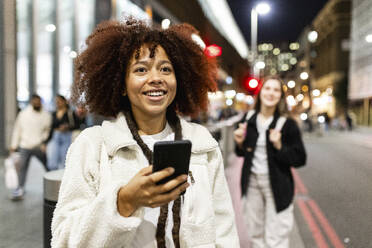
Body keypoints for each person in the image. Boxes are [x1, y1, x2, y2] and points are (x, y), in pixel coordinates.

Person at [51, 18, 239, 248]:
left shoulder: (201, 144)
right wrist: (124, 202)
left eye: (166, 69)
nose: (156, 78)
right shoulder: (92, 146)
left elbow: (224, 231)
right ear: (121, 84)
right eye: (141, 69)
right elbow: (64, 240)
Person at [234, 76, 306, 248]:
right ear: (260, 92)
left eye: (276, 90)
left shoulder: (288, 124)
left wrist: (280, 146)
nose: (271, 93)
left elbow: (300, 159)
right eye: (267, 88)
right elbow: (241, 152)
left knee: (276, 237)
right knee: (255, 234)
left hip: (278, 185)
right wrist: (239, 143)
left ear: (281, 96)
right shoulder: (248, 119)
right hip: (251, 182)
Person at [9, 94, 52, 200]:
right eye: (34, 101)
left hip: (39, 146)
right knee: (22, 168)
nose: (36, 103)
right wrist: (13, 145)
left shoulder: (46, 115)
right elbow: (17, 129)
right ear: (31, 102)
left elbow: (47, 130)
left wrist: (44, 143)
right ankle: (20, 188)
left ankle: (53, 188)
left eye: (38, 101)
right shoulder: (23, 114)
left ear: (40, 102)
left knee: (48, 167)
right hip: (24, 146)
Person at [46, 94, 79, 170]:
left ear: (64, 102)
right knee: (52, 161)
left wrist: (67, 127)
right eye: (56, 102)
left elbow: (77, 125)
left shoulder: (70, 113)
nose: (58, 103)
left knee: (64, 159)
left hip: (66, 136)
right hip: (55, 136)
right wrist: (46, 141)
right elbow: (51, 128)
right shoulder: (53, 113)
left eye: (59, 101)